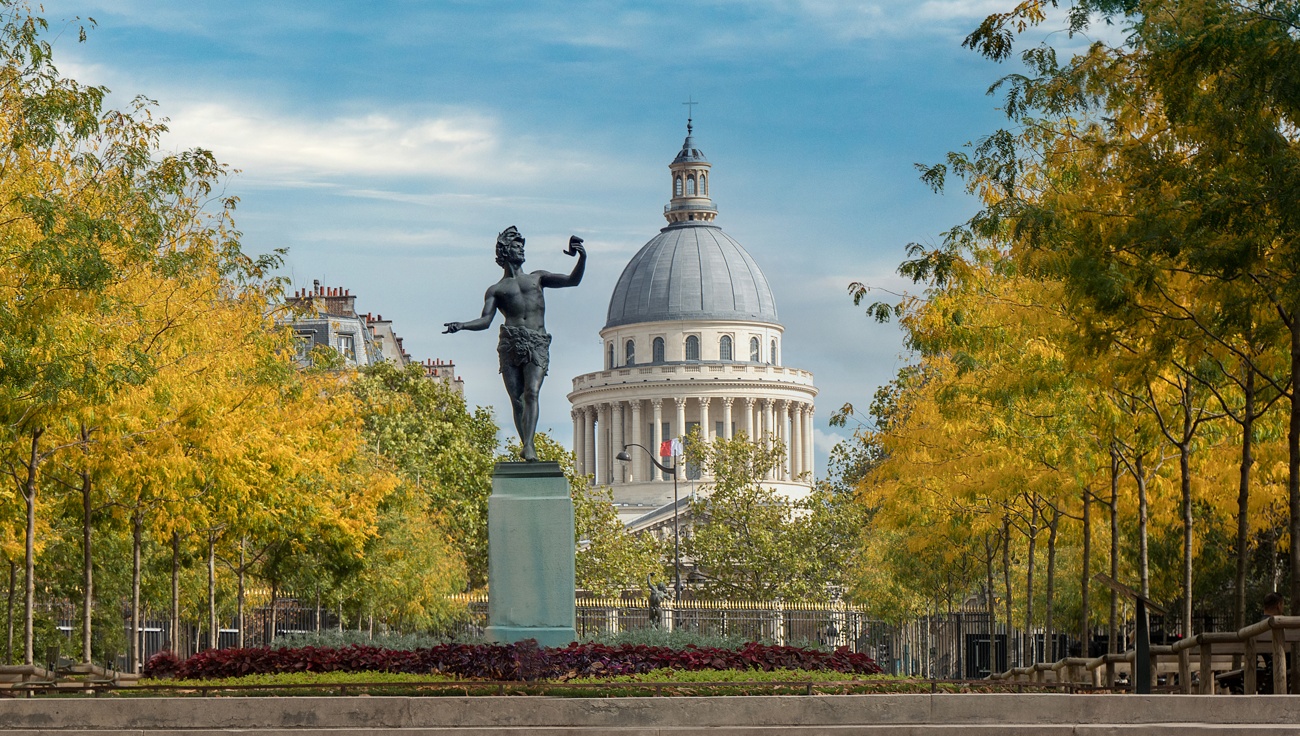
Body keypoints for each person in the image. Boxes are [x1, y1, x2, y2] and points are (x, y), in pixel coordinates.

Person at [444, 226, 585, 461]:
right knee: (517, 399)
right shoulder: (496, 290)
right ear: (505, 252)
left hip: (537, 341)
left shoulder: (537, 278)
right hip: (510, 343)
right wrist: (462, 325)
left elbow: (572, 281)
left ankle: (528, 446)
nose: (521, 250)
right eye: (517, 247)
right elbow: (486, 320)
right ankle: (527, 445)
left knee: (532, 392)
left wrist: (582, 257)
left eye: (522, 246)